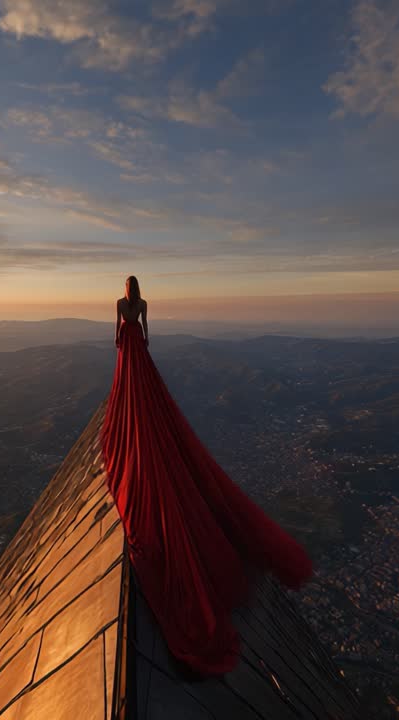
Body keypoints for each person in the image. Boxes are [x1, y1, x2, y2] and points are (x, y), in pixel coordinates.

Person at [101, 275, 314, 676]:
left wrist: (122, 341)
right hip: (137, 346)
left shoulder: (122, 304)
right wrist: (142, 340)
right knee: (143, 381)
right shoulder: (140, 305)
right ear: (136, 289)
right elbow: (145, 328)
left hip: (130, 347)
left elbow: (122, 329)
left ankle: (133, 398)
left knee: (130, 379)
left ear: (126, 290)